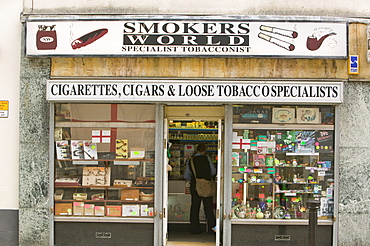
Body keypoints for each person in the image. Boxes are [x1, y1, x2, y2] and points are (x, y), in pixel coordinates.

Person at [184, 143, 216, 234]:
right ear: (204, 151)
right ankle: (211, 229)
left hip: (195, 186)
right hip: (206, 185)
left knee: (195, 207)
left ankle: (194, 228)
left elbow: (186, 176)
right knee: (208, 207)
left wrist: (194, 179)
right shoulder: (207, 159)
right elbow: (213, 171)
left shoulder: (191, 161)